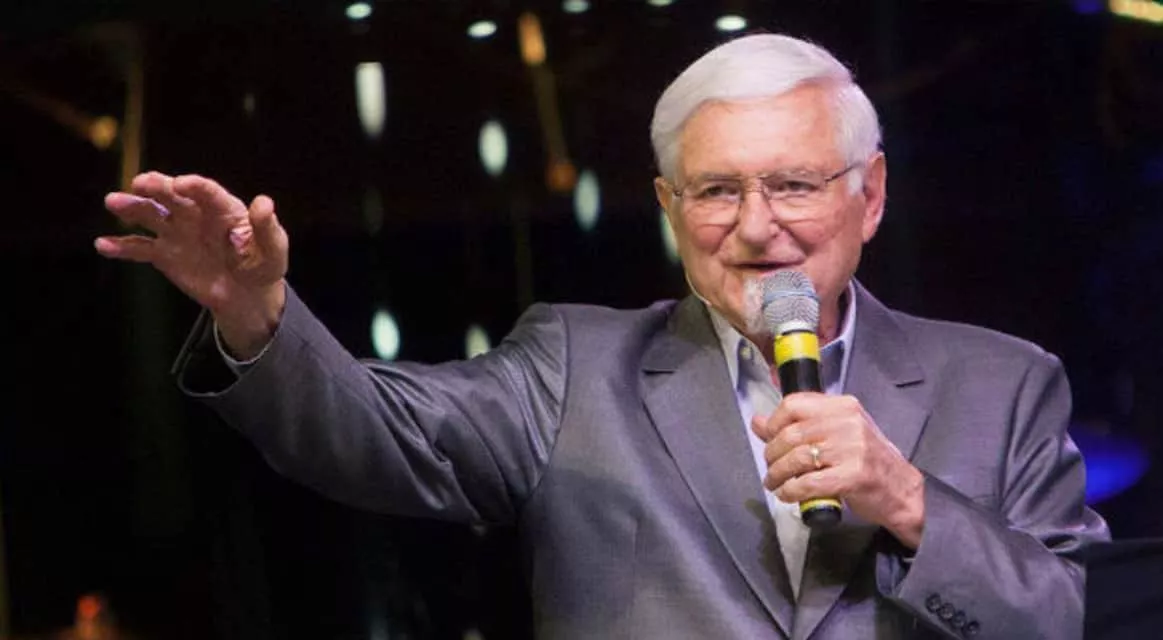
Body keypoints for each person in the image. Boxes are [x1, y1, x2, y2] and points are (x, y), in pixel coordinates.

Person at [95, 33, 1108, 639]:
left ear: (870, 194)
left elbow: (1073, 620)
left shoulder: (1002, 384)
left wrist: (909, 503)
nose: (756, 226)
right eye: (717, 190)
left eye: (793, 184)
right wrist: (253, 312)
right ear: (669, 207)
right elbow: (372, 431)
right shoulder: (575, 368)